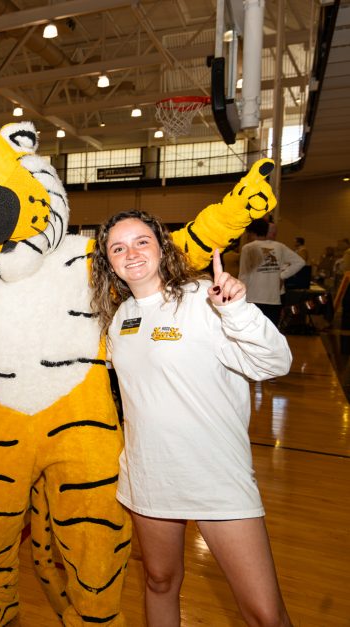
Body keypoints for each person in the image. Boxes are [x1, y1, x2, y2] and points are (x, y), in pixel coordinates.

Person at [90, 209, 292, 627]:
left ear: (162, 247)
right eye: (118, 247)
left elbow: (275, 362)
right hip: (150, 474)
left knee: (264, 613)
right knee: (160, 580)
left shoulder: (204, 298)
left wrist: (236, 310)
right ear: (108, 262)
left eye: (142, 241)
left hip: (215, 474)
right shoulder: (119, 318)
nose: (131, 253)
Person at [239, 219, 306, 325]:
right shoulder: (279, 246)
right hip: (273, 300)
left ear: (251, 233)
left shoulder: (248, 248)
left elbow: (243, 275)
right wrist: (282, 275)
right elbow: (300, 262)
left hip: (253, 298)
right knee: (271, 334)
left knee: (251, 333)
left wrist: (240, 296)